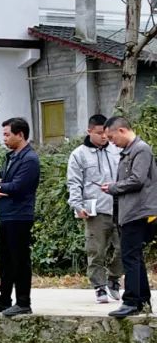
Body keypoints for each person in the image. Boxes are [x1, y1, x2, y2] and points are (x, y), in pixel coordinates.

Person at [0, 118, 41, 317]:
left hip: (20, 215)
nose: (4, 139)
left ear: (20, 134)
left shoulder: (29, 159)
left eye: (8, 134)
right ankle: (4, 298)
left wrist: (0, 186)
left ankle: (23, 301)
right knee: (5, 259)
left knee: (19, 259)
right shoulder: (10, 157)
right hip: (6, 214)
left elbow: (19, 186)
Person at [101, 116, 157, 318]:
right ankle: (142, 300)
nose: (111, 142)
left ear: (122, 131)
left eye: (112, 137)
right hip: (129, 212)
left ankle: (131, 301)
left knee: (130, 257)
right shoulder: (129, 151)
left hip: (138, 211)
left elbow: (137, 179)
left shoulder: (140, 149)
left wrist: (114, 187)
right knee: (135, 257)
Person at [67, 114, 123, 303]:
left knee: (124, 248)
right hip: (95, 210)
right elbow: (74, 182)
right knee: (96, 250)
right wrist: (77, 204)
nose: (103, 137)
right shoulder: (78, 154)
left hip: (119, 208)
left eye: (106, 133)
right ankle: (99, 286)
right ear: (89, 131)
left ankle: (114, 279)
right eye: (99, 133)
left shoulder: (116, 150)